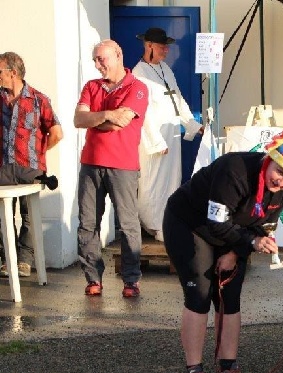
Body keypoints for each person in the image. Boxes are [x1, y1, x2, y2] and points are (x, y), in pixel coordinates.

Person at [163, 121, 283, 373]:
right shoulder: (234, 170)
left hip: (231, 233)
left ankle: (227, 366)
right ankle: (194, 369)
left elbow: (262, 228)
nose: (282, 181)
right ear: (270, 158)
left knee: (230, 293)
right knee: (201, 294)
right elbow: (216, 224)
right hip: (189, 223)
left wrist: (235, 252)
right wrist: (249, 243)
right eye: (279, 171)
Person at [73, 40, 148, 298]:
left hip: (123, 165)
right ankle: (93, 278)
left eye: (101, 59)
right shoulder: (91, 86)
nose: (97, 64)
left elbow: (121, 124)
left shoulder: (137, 88)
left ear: (118, 55)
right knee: (87, 223)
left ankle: (131, 280)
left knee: (127, 224)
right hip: (90, 163)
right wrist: (107, 114)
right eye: (95, 59)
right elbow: (77, 119)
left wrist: (94, 117)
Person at [132, 27, 203, 242]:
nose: (165, 51)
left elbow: (177, 100)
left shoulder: (166, 69)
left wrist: (192, 124)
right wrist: (155, 141)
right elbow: (141, 113)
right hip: (154, 139)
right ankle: (152, 224)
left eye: (166, 47)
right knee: (153, 181)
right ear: (149, 46)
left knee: (172, 180)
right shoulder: (139, 74)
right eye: (162, 47)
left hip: (171, 135)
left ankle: (168, 221)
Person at [0, 52, 62, 278]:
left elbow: (56, 133)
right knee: (2, 215)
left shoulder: (38, 99)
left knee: (28, 214)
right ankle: (8, 259)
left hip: (29, 167)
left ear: (13, 73)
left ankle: (24, 261)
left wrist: (38, 153)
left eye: (0, 72)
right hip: (3, 169)